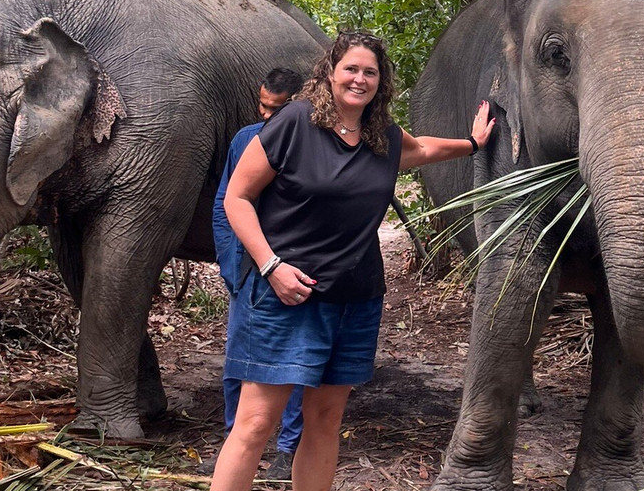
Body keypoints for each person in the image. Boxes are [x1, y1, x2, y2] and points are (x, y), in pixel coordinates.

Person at [209, 31, 495, 491]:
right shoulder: (294, 123)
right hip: (287, 296)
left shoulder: (383, 137)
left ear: (381, 83)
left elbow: (422, 149)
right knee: (257, 424)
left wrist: (474, 143)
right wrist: (270, 266)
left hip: (355, 301)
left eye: (370, 72)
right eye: (351, 69)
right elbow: (237, 199)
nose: (359, 79)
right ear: (329, 73)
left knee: (324, 420)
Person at [208, 67, 306, 479]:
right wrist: (234, 270)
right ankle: (238, 441)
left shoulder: (313, 145)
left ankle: (288, 449)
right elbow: (224, 206)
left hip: (298, 271)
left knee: (297, 366)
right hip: (251, 274)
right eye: (262, 107)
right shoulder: (245, 140)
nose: (267, 118)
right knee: (238, 365)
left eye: (277, 111)